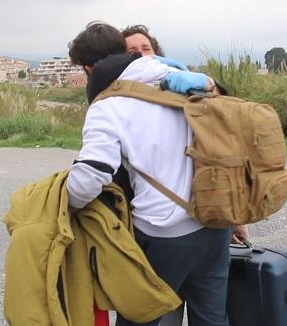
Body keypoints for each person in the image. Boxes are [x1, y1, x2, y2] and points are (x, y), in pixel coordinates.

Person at [67, 22, 231, 326]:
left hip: (164, 232)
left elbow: (92, 174)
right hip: (215, 222)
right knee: (212, 320)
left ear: (89, 69)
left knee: (138, 318)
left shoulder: (108, 106)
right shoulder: (177, 78)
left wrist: (63, 205)